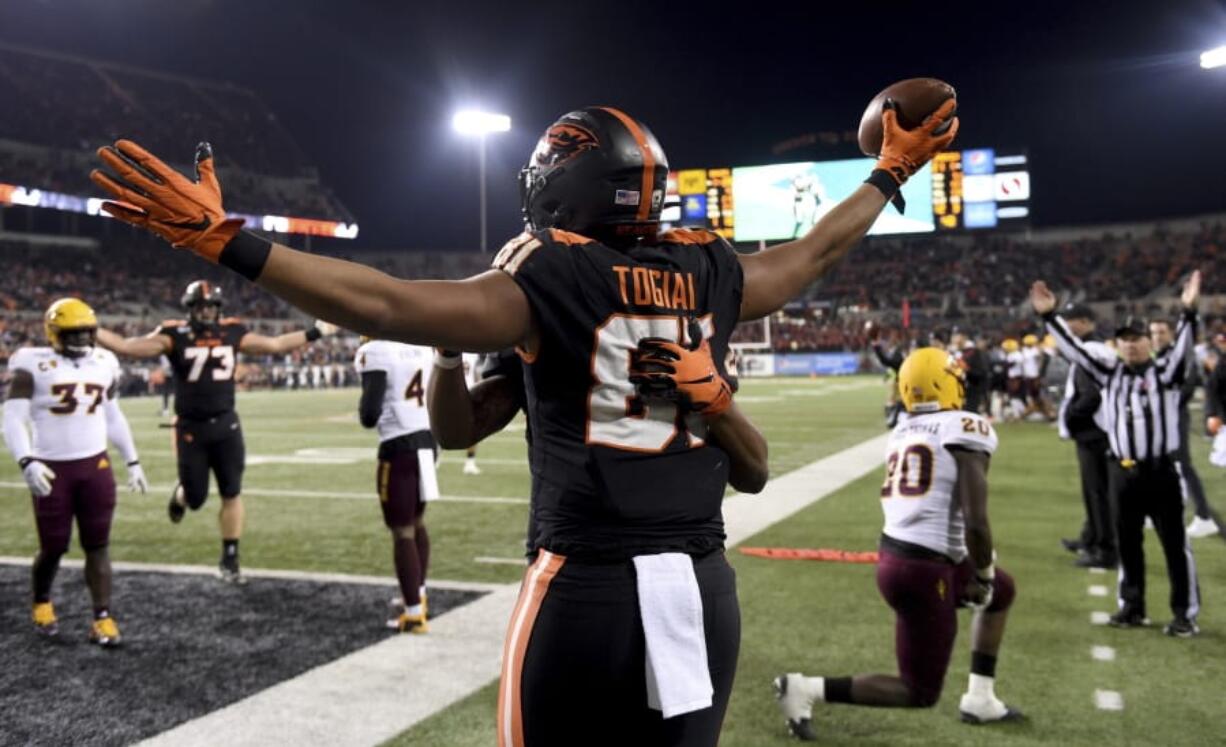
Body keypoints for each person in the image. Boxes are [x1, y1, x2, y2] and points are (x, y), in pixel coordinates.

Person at [90, 98, 955, 745]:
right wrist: (892, 172)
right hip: (700, 583)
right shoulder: (708, 269)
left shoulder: (550, 274)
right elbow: (816, 251)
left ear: (567, 190)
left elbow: (384, 301)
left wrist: (228, 243)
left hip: (586, 585)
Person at [774, 348, 1022, 741]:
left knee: (1003, 592)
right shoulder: (965, 425)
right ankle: (805, 689)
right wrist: (983, 573)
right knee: (919, 691)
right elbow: (975, 519)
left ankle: (981, 696)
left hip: (900, 555)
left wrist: (986, 575)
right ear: (948, 383)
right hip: (924, 569)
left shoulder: (903, 429)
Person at [95, 280, 338, 583]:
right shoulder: (174, 335)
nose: (206, 312)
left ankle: (230, 558)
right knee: (195, 498)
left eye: (211, 306)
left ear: (218, 308)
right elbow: (127, 347)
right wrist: (92, 327)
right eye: (200, 306)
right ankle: (182, 493)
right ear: (191, 308)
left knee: (231, 492)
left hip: (226, 424)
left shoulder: (232, 332)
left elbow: (274, 345)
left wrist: (315, 332)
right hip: (190, 429)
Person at [1033, 274, 1203, 637]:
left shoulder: (1165, 372)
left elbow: (1186, 345)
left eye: (1137, 339)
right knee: (1128, 543)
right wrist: (1050, 318)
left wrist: (1189, 310)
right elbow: (1073, 350)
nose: (1130, 346)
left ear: (1147, 342)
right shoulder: (1109, 374)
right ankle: (1132, 606)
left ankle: (1184, 614)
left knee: (1175, 545)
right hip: (1122, 471)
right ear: (1118, 344)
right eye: (1124, 340)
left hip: (1161, 471)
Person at [2, 298, 149, 646]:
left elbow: (112, 416)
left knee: (98, 545)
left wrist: (132, 460)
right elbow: (12, 417)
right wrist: (27, 460)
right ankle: (41, 602)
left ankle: (102, 616)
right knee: (52, 547)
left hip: (95, 467)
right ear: (54, 333)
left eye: (87, 332)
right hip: (52, 469)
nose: (82, 339)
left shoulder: (104, 362)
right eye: (74, 333)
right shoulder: (32, 363)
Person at [355, 337, 437, 633]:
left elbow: (369, 414)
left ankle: (413, 613)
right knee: (417, 522)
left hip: (398, 445)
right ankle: (419, 595)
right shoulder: (420, 345)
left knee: (402, 530)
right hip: (428, 440)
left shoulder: (375, 351)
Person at [1054, 304, 1116, 569]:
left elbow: (1090, 396)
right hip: (1098, 431)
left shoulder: (1090, 351)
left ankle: (1105, 550)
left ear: (1087, 322)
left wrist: (1071, 418)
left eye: (1073, 321)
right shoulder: (1099, 349)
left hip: (1093, 432)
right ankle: (1090, 537)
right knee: (1097, 491)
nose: (1069, 326)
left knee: (1097, 492)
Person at [1150, 319, 1218, 538]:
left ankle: (1204, 516)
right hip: (1159, 417)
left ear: (1171, 334)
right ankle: (1157, 510)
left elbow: (1191, 383)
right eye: (1153, 333)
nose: (1157, 337)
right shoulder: (1157, 356)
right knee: (1159, 464)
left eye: (1161, 332)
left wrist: (1167, 404)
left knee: (1182, 465)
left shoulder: (1180, 356)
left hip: (1174, 417)